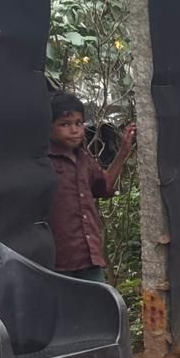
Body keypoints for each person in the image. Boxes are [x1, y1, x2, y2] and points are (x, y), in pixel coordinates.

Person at [46, 93, 136, 284]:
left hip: (89, 257)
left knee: (99, 307)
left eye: (79, 123)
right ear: (49, 128)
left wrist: (123, 152)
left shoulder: (84, 159)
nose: (74, 130)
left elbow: (104, 186)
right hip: (58, 262)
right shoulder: (44, 163)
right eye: (65, 124)